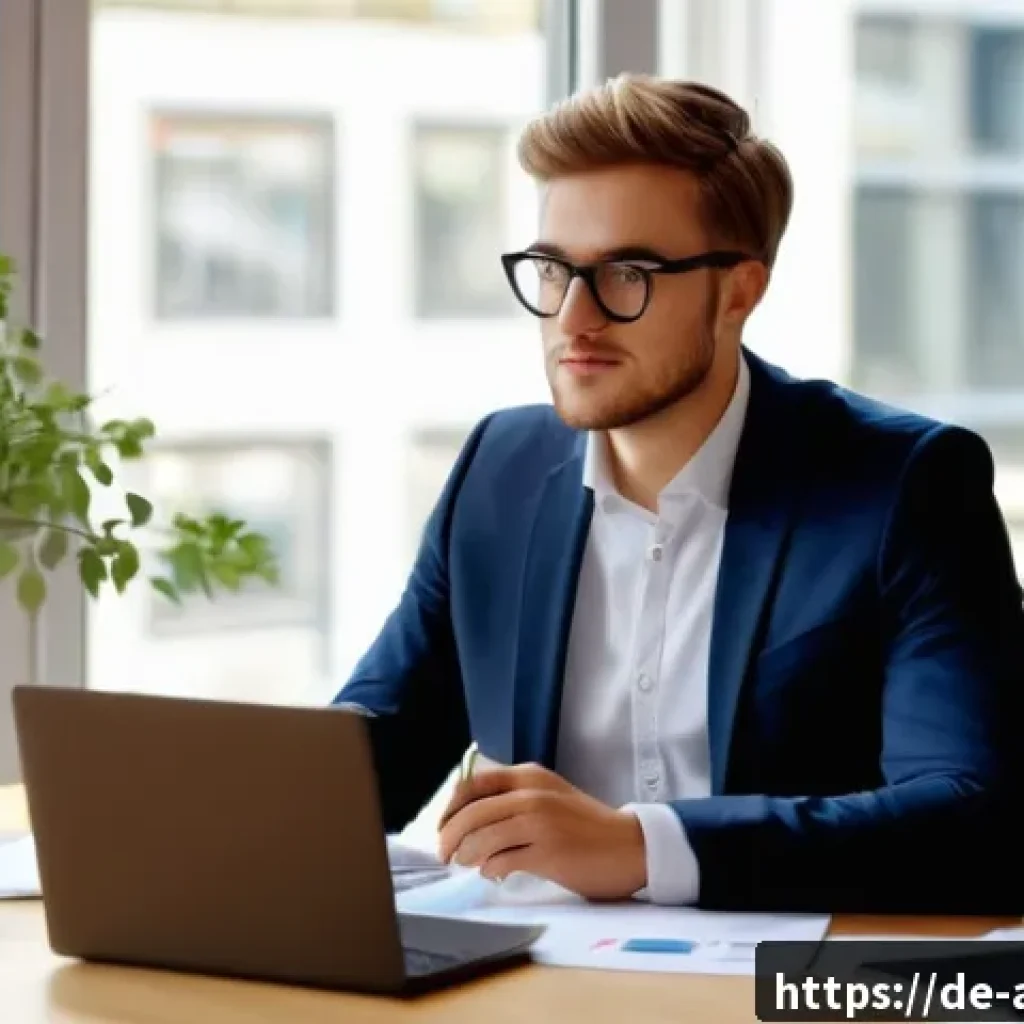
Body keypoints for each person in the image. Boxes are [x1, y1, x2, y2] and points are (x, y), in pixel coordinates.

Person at [335, 74, 1024, 913]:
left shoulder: (907, 484)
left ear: (739, 291)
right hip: (534, 982)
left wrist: (640, 848)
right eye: (553, 269)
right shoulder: (498, 469)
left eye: (628, 273)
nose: (573, 319)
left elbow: (972, 816)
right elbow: (364, 764)